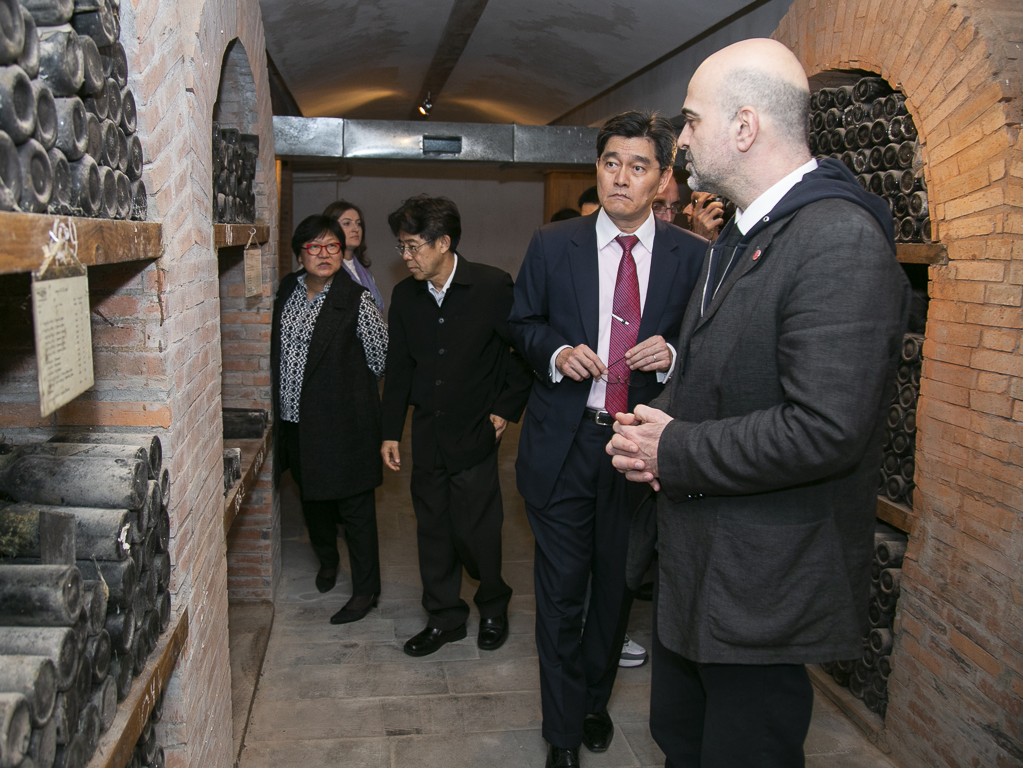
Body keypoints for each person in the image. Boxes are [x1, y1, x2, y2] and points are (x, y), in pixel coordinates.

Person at [606, 39, 908, 768]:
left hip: (760, 585)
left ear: (744, 126)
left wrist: (673, 448)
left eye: (691, 120)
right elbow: (721, 369)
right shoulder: (743, 236)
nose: (681, 141)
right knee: (681, 741)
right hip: (701, 564)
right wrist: (653, 423)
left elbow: (825, 428)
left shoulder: (837, 239)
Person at [509, 111, 707, 768]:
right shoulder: (553, 242)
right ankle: (563, 732)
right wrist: (557, 351)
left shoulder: (692, 256)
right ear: (597, 169)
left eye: (638, 166)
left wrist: (674, 356)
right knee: (561, 593)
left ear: (663, 179)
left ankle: (593, 699)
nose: (621, 177)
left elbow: (709, 346)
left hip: (638, 450)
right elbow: (522, 322)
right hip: (564, 446)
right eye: (611, 162)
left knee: (615, 592)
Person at [380, 194, 533, 657]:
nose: (406, 256)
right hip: (427, 434)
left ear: (443, 242)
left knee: (477, 531)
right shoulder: (406, 295)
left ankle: (493, 606)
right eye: (402, 247)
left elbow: (524, 351)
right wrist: (390, 431)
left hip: (475, 432)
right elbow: (399, 367)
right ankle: (444, 617)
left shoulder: (491, 286)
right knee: (433, 531)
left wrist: (505, 407)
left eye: (413, 246)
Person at [271, 215, 389, 625]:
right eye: (314, 247)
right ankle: (327, 560)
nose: (324, 254)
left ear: (342, 252)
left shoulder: (356, 300)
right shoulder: (287, 290)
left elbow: (380, 360)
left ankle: (366, 590)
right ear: (299, 254)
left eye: (333, 246)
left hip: (343, 424)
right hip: (295, 421)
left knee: (356, 510)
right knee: (312, 500)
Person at [324, 200, 385, 312]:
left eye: (358, 224)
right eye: (347, 223)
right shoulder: (324, 269)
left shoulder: (365, 273)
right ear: (331, 228)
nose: (355, 229)